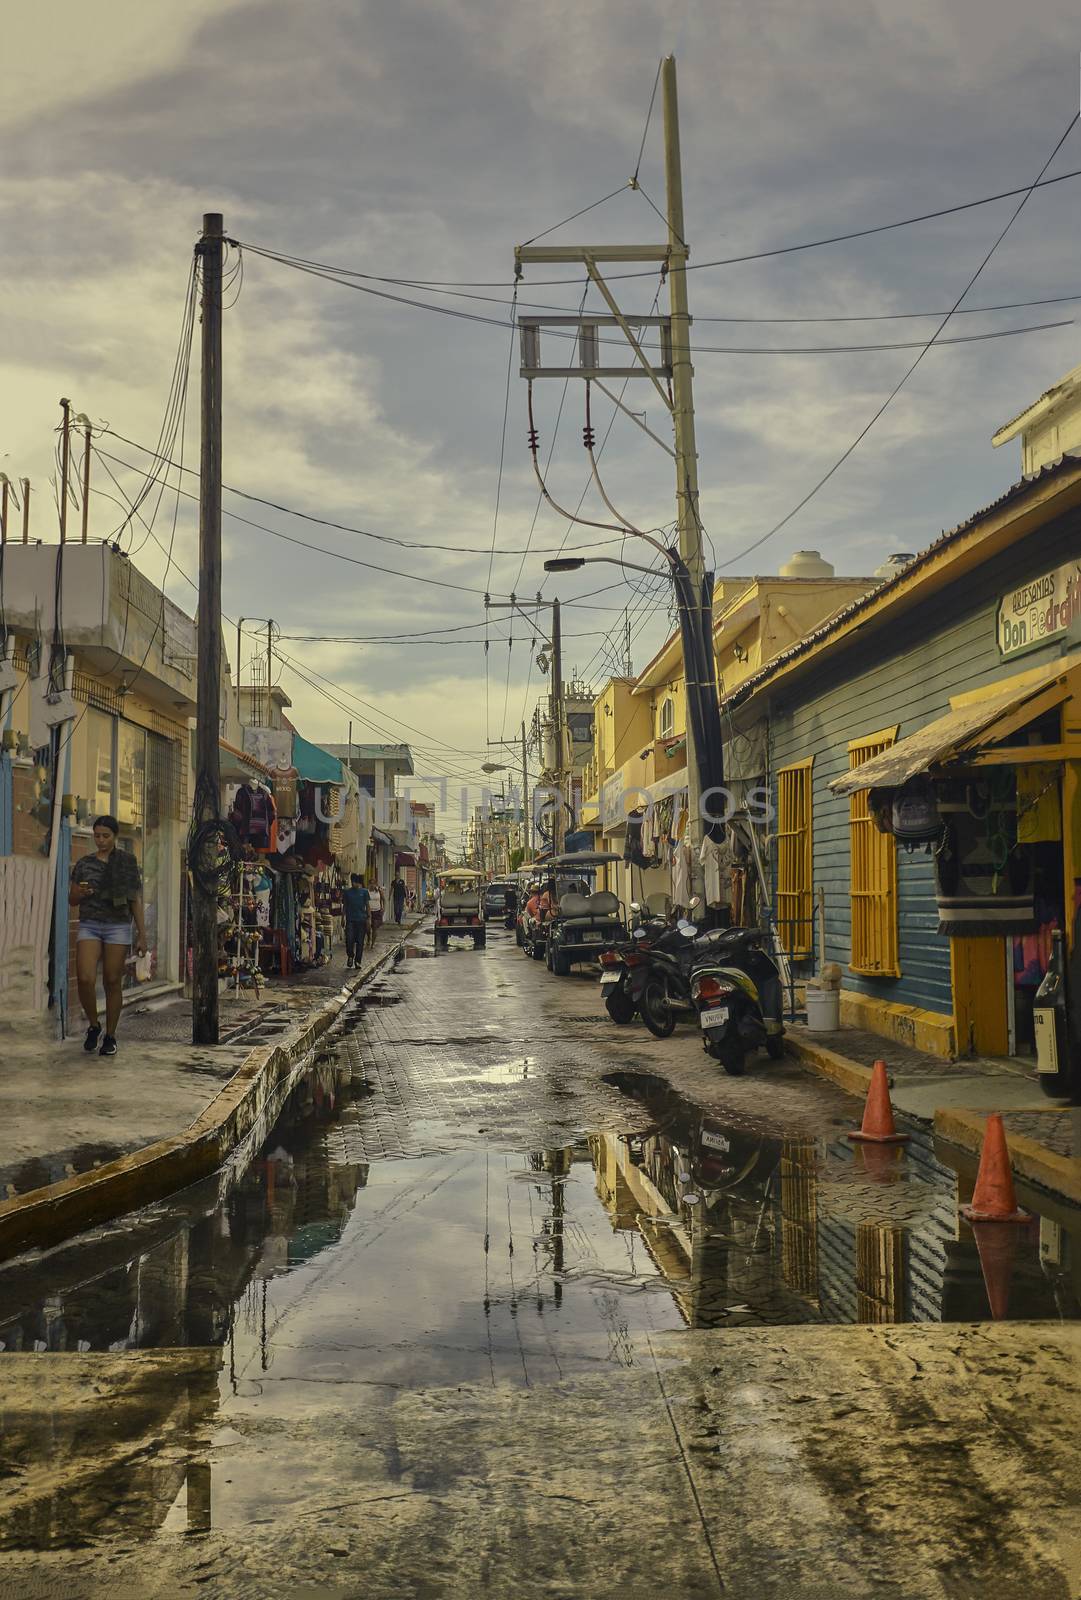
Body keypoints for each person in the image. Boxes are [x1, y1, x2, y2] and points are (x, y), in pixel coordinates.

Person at [68, 815, 146, 1057]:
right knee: (84, 978)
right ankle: (94, 1025)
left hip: (117, 926)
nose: (100, 841)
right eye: (97, 836)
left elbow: (134, 899)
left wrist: (142, 935)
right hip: (90, 924)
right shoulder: (84, 864)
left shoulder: (127, 862)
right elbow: (72, 900)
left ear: (115, 837)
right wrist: (80, 893)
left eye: (105, 836)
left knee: (112, 980)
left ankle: (110, 1036)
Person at [341, 874, 371, 970]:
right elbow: (345, 906)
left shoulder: (364, 892)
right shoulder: (347, 892)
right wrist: (343, 918)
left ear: (359, 882)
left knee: (360, 942)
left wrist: (369, 918)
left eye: (356, 882)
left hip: (361, 920)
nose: (355, 884)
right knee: (349, 940)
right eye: (353, 882)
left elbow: (367, 905)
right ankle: (350, 955)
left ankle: (358, 961)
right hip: (350, 920)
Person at [368, 880, 384, 948]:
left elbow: (384, 899)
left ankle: (373, 943)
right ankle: (368, 938)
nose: (372, 885)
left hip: (377, 911)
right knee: (367, 927)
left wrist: (383, 908)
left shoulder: (379, 891)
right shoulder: (366, 892)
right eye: (371, 884)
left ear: (375, 884)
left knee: (374, 928)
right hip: (368, 911)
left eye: (373, 883)